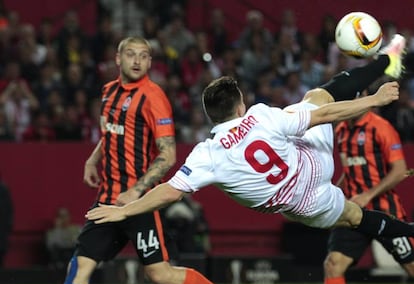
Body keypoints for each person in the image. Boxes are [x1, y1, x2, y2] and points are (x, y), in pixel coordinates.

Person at [86, 35, 414, 251]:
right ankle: (386, 63)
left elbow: (170, 191)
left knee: (356, 217)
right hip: (314, 163)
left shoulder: (208, 154)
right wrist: (372, 100)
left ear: (211, 116)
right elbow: (324, 115)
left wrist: (125, 210)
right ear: (240, 105)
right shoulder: (260, 116)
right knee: (318, 97)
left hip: (301, 205)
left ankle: (410, 232)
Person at [54, 36, 253, 284]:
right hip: (107, 200)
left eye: (144, 56)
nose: (137, 61)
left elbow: (168, 154)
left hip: (139, 203)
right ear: (118, 59)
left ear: (150, 61)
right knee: (80, 266)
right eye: (131, 54)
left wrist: (136, 191)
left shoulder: (154, 98)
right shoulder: (108, 91)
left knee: (159, 273)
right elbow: (113, 130)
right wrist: (93, 158)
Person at [323, 88, 414, 284]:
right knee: (333, 264)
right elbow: (350, 168)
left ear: (362, 99)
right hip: (353, 211)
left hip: (384, 210)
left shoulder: (380, 127)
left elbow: (400, 170)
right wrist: (335, 191)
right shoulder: (342, 129)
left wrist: (368, 195)